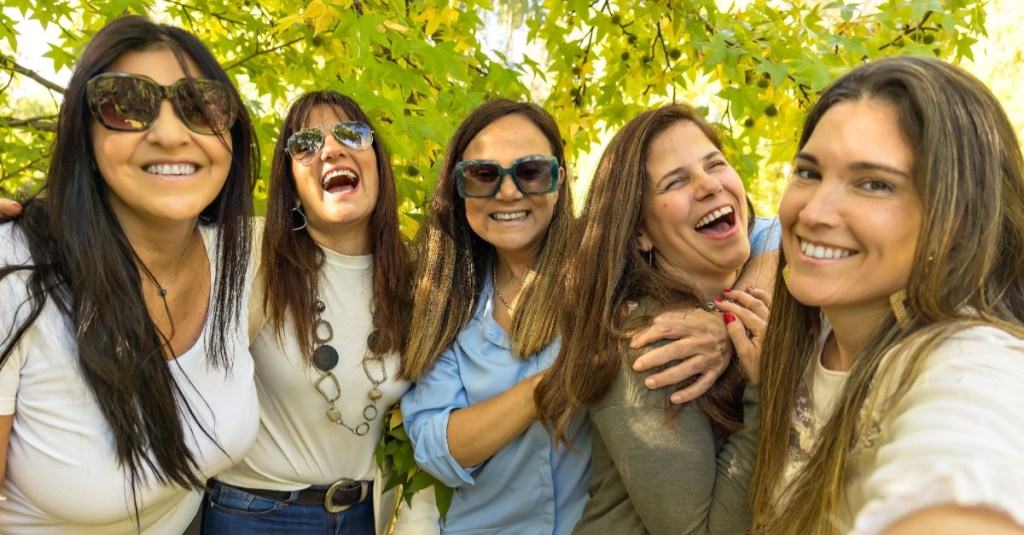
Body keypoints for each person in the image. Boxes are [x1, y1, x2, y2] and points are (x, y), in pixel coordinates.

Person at [0, 15, 260, 533]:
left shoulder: (243, 255)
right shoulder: (17, 279)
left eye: (200, 106)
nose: (169, 134)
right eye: (124, 106)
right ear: (85, 139)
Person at [749, 55, 1024, 534]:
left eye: (874, 184)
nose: (814, 211)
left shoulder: (966, 363)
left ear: (958, 223)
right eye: (809, 173)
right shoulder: (815, 335)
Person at [201, 90, 436, 534]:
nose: (330, 149)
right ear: (290, 185)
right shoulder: (247, 252)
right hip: (254, 516)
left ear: (378, 164)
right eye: (305, 144)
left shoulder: (412, 277)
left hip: (359, 517)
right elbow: (145, 245)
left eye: (351, 133)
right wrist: (34, 228)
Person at [536, 104, 770, 535]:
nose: (709, 185)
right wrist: (766, 389)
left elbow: (787, 226)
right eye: (676, 181)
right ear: (640, 233)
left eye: (715, 164)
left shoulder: (752, 300)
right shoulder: (650, 341)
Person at [399, 100, 589, 534]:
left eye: (531, 171)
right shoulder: (445, 300)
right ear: (459, 189)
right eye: (483, 174)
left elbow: (749, 235)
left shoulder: (606, 277)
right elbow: (434, 448)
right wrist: (544, 389)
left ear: (561, 179)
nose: (508, 192)